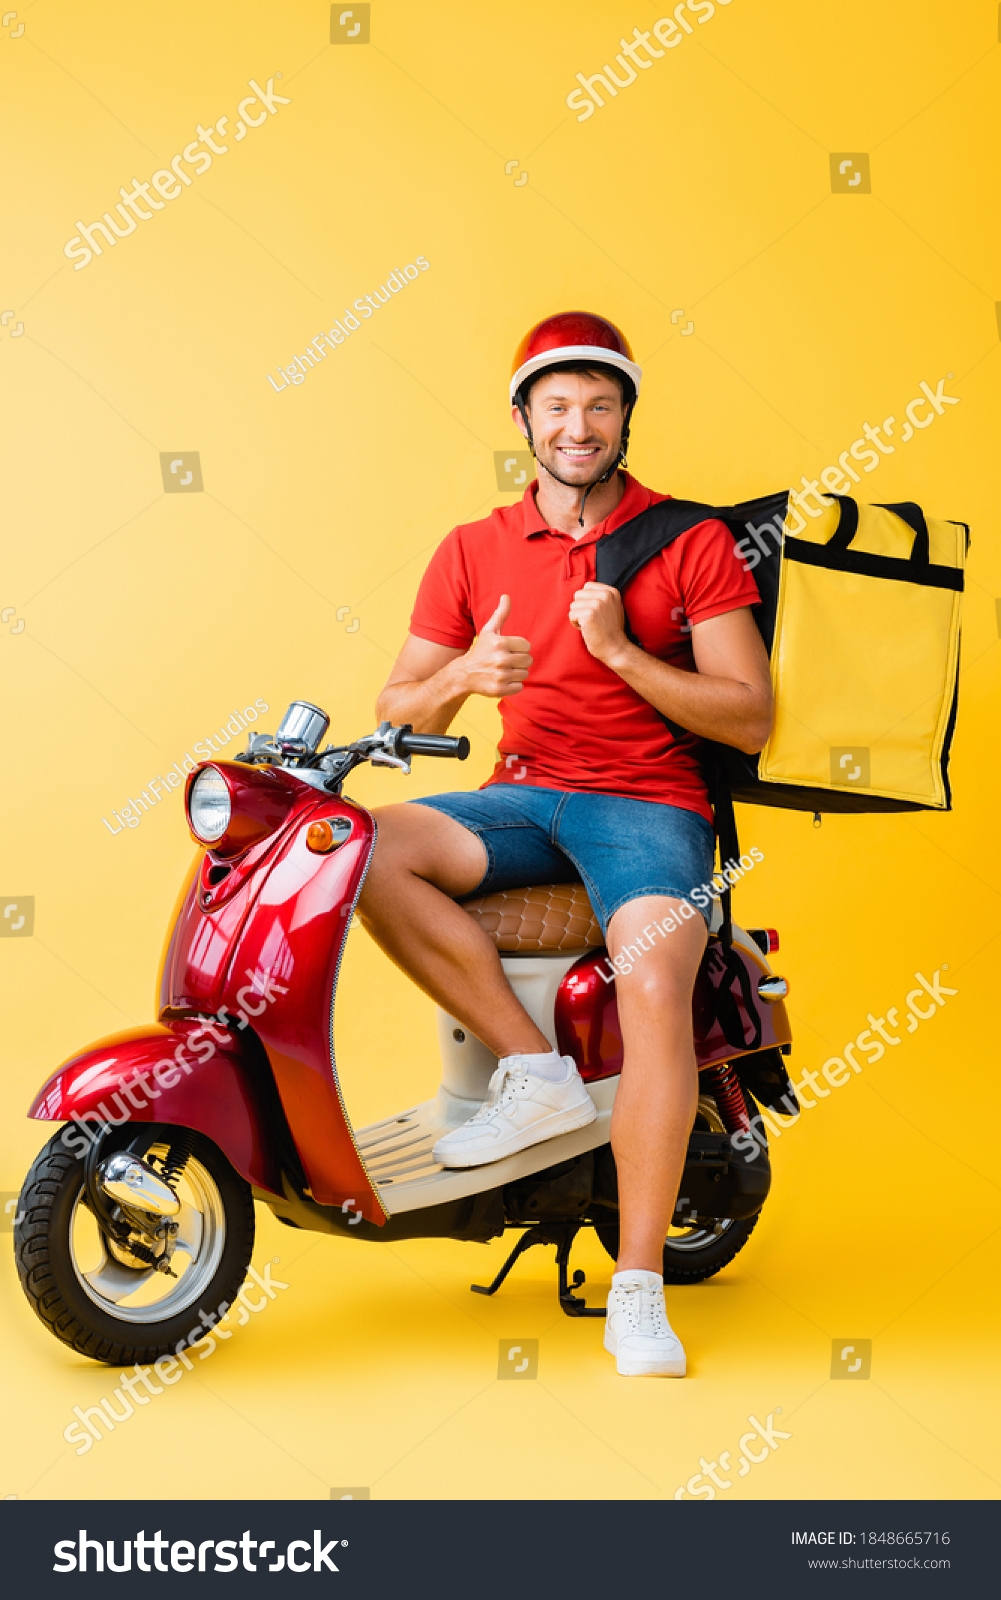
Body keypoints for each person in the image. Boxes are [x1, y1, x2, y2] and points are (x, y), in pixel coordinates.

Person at [357, 311, 772, 1376]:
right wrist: (461, 677)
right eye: (555, 407)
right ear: (521, 421)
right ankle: (535, 1070)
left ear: (624, 416)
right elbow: (400, 705)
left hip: (648, 804)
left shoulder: (689, 541)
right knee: (358, 849)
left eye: (597, 405)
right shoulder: (472, 548)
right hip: (523, 797)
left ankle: (637, 1286)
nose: (576, 426)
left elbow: (748, 715)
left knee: (651, 982)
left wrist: (620, 652)